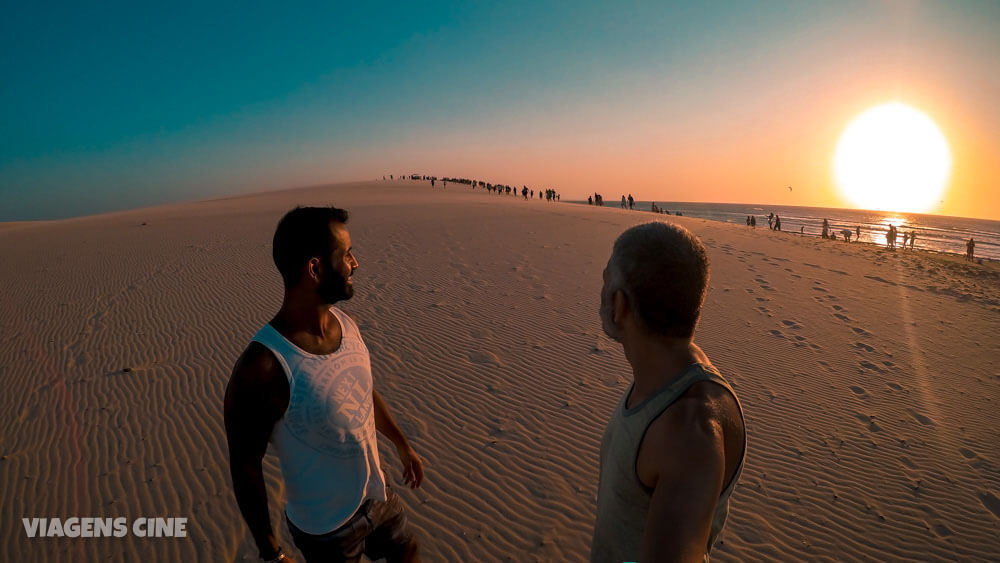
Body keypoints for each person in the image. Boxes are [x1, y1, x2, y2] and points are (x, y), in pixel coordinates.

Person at [225, 206, 424, 563]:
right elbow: (245, 467)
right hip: (326, 530)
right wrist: (270, 552)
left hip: (377, 493)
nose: (356, 263)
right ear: (315, 269)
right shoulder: (263, 368)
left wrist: (401, 445)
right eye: (346, 254)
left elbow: (362, 392)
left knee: (407, 552)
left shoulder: (345, 324)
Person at [591, 223, 746, 563]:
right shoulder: (666, 370)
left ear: (620, 304)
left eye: (606, 280)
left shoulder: (688, 433)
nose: (600, 290)